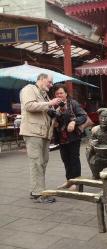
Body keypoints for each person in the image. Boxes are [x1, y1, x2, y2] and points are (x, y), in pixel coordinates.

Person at [19, 73, 62, 203]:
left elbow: (44, 112)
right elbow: (29, 106)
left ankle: (37, 190)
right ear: (41, 79)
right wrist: (50, 103)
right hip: (33, 132)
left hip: (43, 133)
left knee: (42, 163)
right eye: (49, 82)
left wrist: (55, 110)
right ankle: (38, 193)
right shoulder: (29, 89)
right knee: (36, 162)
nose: (51, 84)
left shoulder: (44, 95)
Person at [52, 84, 88, 191]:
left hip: (73, 137)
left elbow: (83, 116)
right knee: (65, 160)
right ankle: (69, 181)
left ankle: (77, 183)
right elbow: (53, 118)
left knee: (74, 159)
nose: (59, 95)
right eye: (57, 93)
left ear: (66, 94)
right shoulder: (54, 106)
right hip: (62, 138)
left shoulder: (73, 103)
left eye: (61, 93)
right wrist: (54, 123)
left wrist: (74, 122)